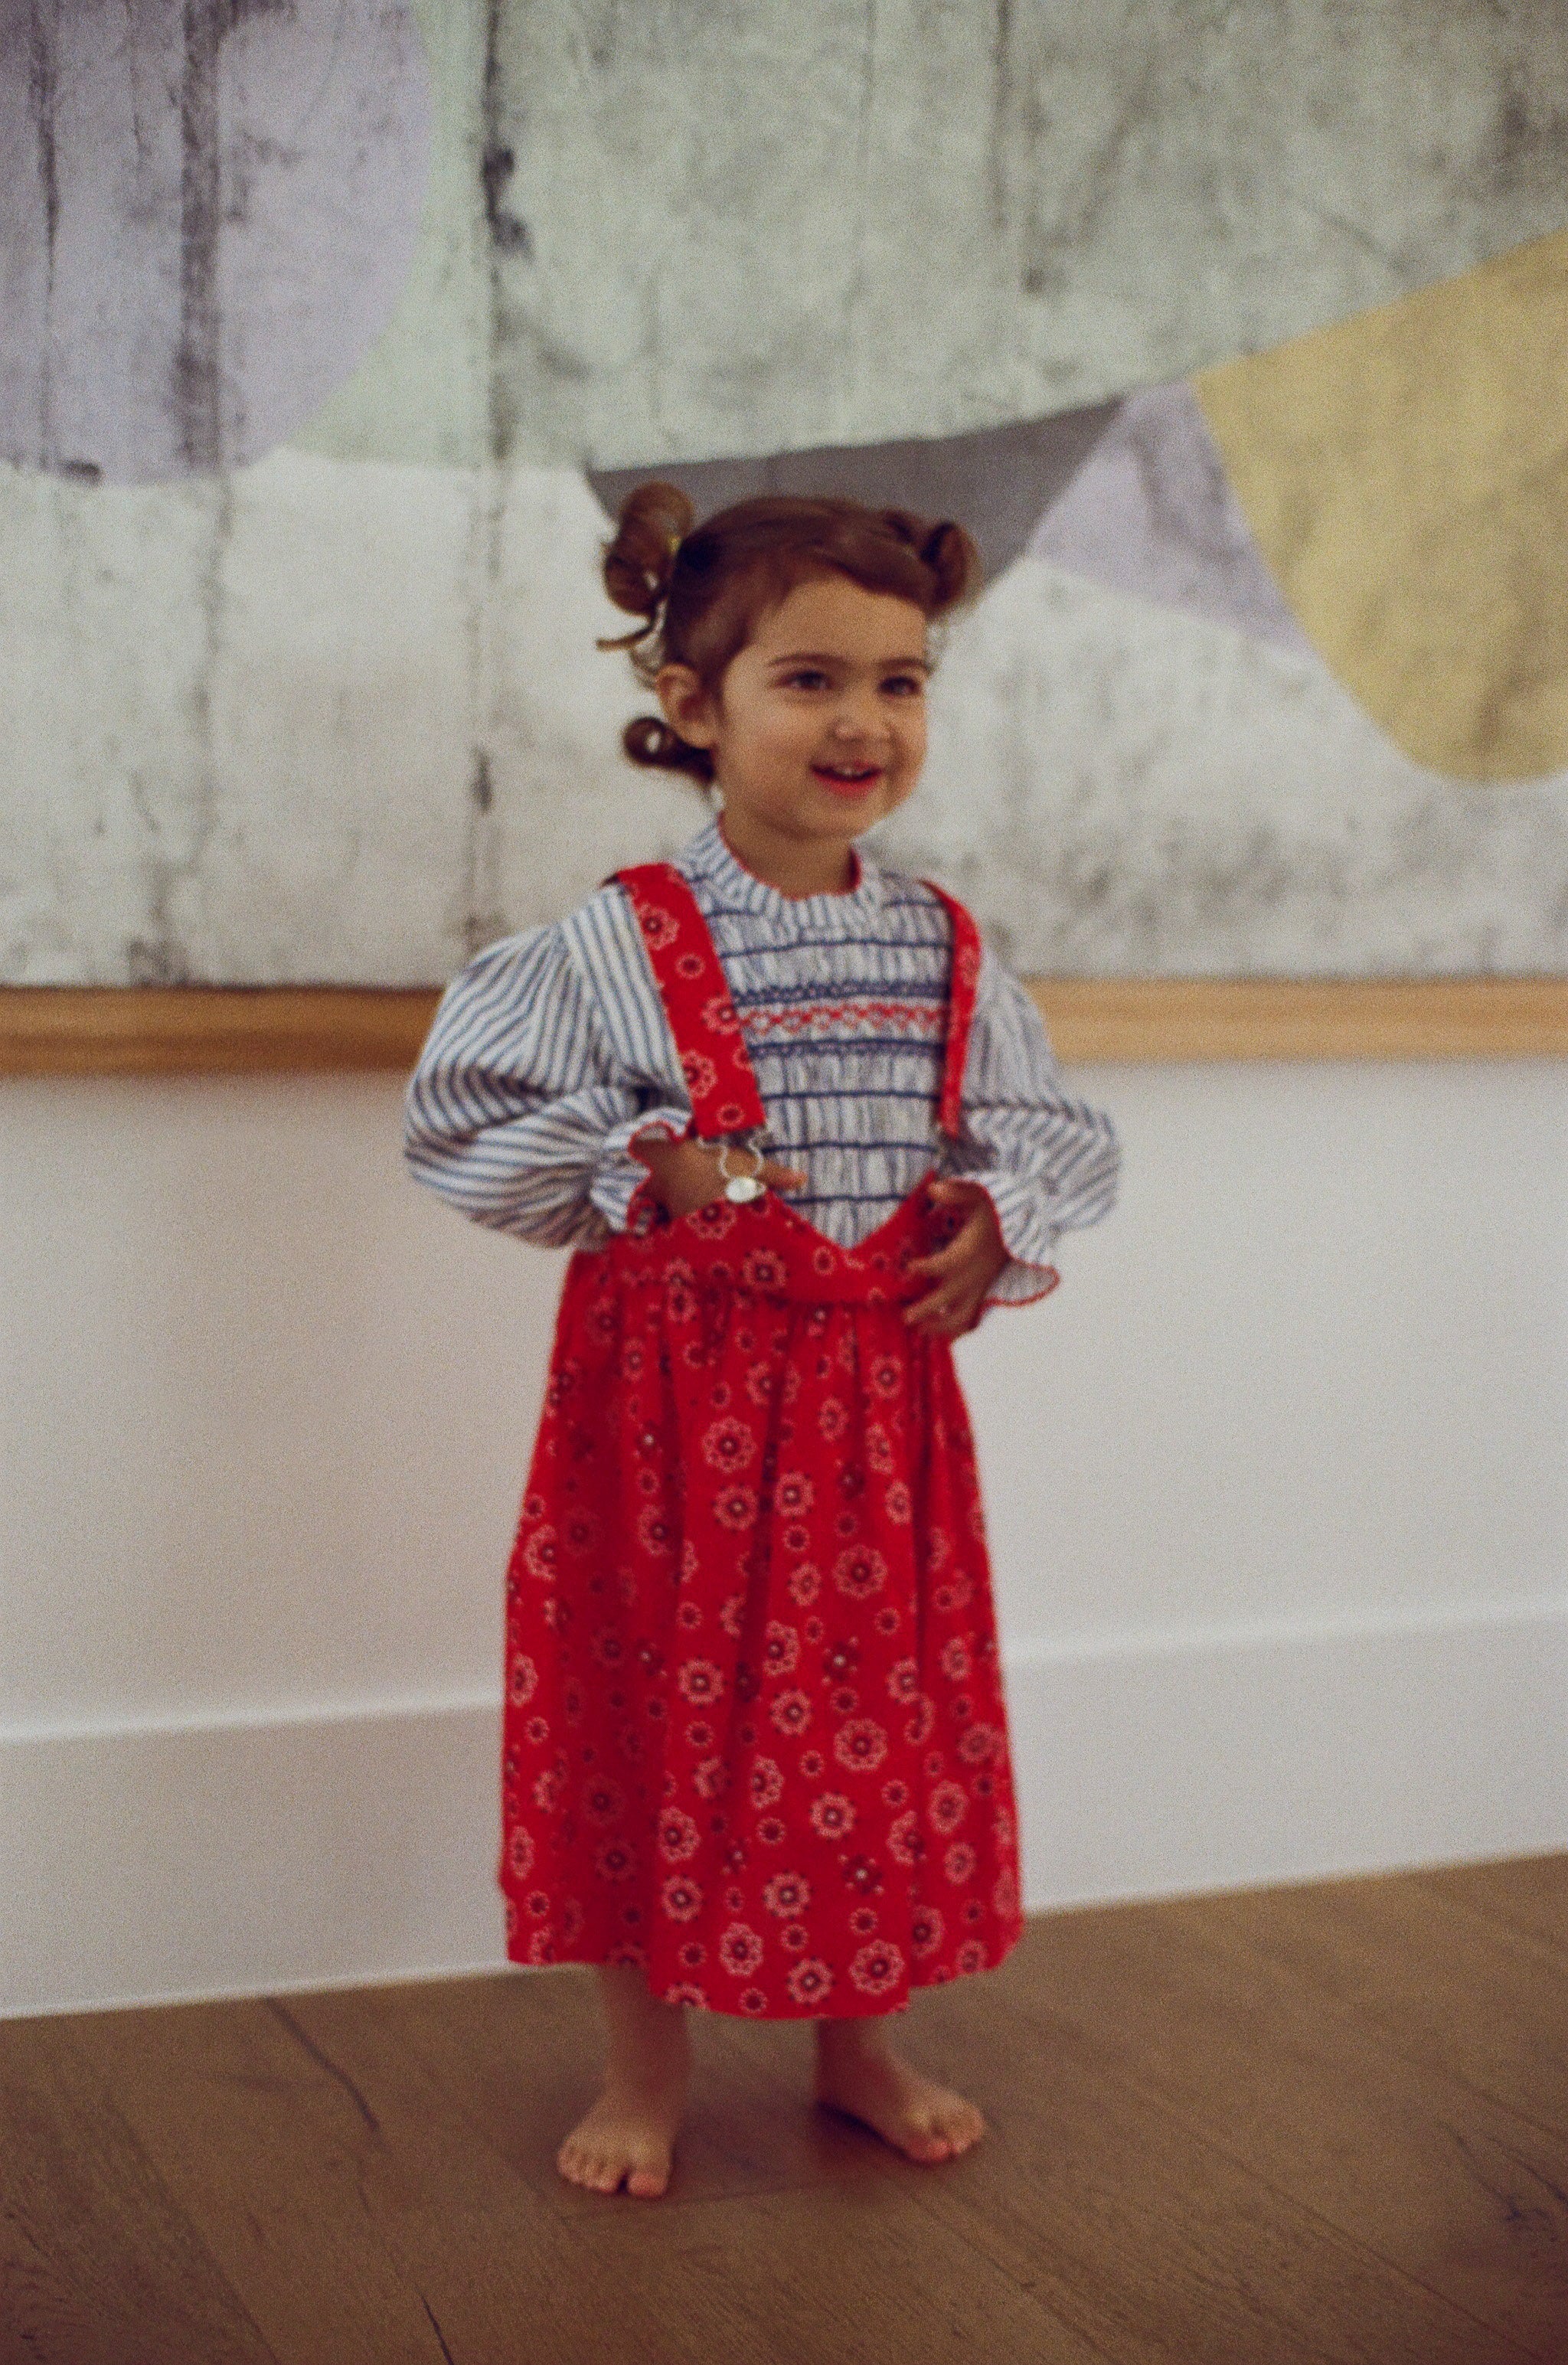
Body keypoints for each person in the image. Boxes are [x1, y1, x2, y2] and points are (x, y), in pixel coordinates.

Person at [404, 484, 1119, 2199]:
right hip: (668, 1419)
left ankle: (856, 2045)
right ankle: (642, 2068)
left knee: (869, 1734)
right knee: (645, 1722)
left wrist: (997, 1213)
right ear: (695, 700)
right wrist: (646, 1161)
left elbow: (1054, 1130)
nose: (863, 720)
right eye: (810, 679)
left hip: (874, 1419)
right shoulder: (619, 941)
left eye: (900, 680)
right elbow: (456, 1119)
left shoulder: (940, 944)